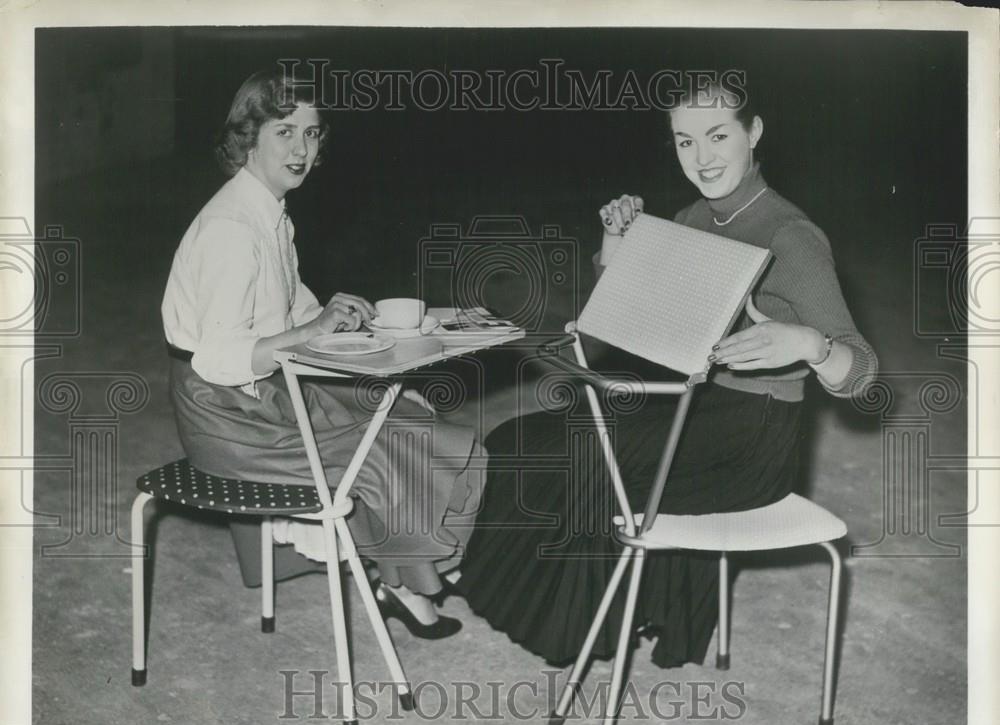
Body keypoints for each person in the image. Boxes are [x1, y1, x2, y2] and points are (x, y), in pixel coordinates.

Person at [456, 78, 878, 667]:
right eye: (684, 142)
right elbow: (612, 327)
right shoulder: (691, 218)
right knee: (521, 435)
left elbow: (861, 371)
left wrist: (808, 343)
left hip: (752, 437)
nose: (702, 159)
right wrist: (616, 244)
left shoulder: (793, 237)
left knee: (583, 459)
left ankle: (575, 631)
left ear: (753, 133)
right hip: (692, 404)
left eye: (718, 136)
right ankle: (514, 595)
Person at [162, 68, 483, 638]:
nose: (301, 149)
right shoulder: (232, 228)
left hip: (259, 393)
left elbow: (286, 310)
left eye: (311, 134)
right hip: (228, 415)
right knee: (387, 445)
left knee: (404, 411)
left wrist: (329, 319)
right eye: (285, 132)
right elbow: (219, 357)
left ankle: (407, 573)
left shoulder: (267, 210)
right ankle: (408, 578)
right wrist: (308, 333)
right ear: (249, 136)